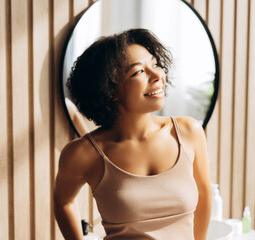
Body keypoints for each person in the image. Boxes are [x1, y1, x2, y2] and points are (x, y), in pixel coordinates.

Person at [54, 28, 211, 240]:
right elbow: (63, 202)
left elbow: (203, 196)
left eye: (155, 64)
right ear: (110, 89)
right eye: (139, 72)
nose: (157, 76)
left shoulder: (188, 132)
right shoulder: (83, 153)